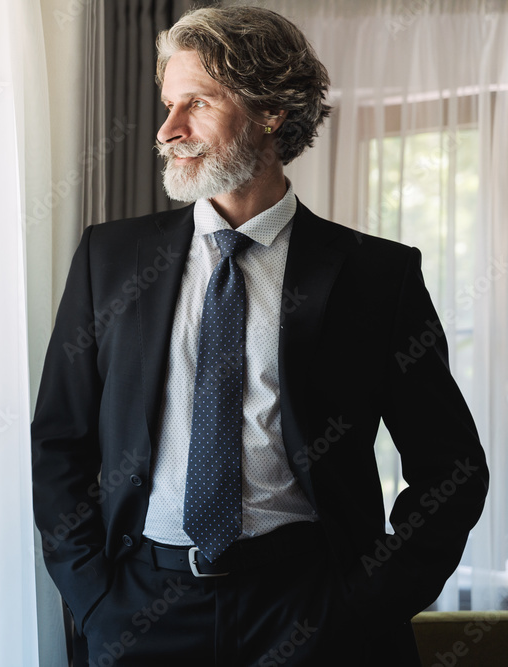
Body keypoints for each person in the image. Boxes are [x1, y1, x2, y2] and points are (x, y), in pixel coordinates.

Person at [29, 6, 489, 666]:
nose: (168, 130)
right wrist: (94, 596)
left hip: (314, 612)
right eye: (168, 104)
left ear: (271, 111)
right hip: (141, 612)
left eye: (197, 103)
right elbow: (59, 442)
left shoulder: (375, 275)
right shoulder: (111, 259)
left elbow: (451, 467)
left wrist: (369, 602)